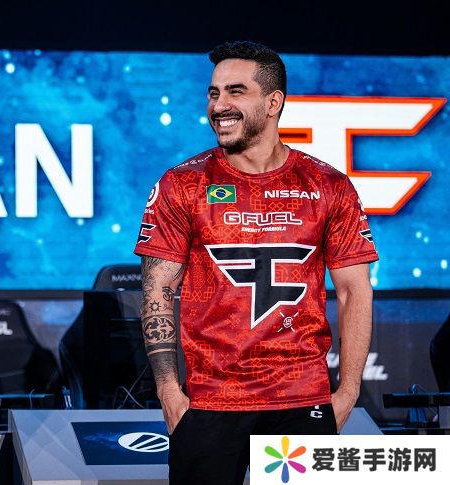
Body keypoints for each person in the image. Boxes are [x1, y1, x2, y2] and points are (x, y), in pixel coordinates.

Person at [134, 41, 378, 485]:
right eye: (213, 93)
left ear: (273, 102)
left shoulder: (328, 185)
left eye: (235, 92)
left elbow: (353, 290)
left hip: (301, 400)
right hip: (208, 404)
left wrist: (348, 391)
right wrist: (168, 391)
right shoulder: (182, 184)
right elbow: (157, 289)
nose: (219, 106)